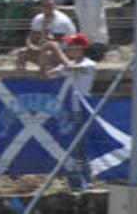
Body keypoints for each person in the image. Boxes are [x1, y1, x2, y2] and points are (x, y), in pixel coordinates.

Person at [42, 32, 96, 190]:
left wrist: (56, 48)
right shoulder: (69, 63)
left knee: (80, 149)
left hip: (81, 112)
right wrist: (45, 56)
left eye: (71, 46)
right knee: (68, 149)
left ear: (81, 48)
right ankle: (76, 184)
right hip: (67, 112)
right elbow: (49, 75)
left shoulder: (89, 65)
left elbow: (70, 68)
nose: (68, 49)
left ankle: (86, 182)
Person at [15, 0, 78, 71]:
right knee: (21, 53)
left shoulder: (62, 21)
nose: (49, 8)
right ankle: (21, 77)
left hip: (63, 51)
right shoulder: (38, 19)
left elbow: (54, 42)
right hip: (43, 47)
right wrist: (30, 46)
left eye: (51, 6)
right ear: (40, 7)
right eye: (45, 6)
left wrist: (44, 28)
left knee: (46, 55)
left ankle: (46, 78)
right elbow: (31, 36)